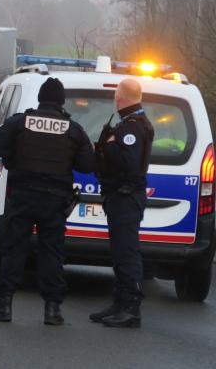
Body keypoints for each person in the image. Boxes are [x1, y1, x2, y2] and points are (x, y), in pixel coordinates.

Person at [0, 78, 95, 325]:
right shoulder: (73, 130)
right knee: (51, 253)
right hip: (55, 200)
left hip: (22, 195)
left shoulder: (21, 122)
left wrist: (14, 155)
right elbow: (87, 164)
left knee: (13, 249)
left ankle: (4, 305)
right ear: (62, 101)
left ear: (40, 99)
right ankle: (52, 310)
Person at [90, 78, 153, 329]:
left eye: (117, 96)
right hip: (120, 196)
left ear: (120, 98)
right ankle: (119, 302)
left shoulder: (132, 127)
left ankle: (130, 308)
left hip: (127, 196)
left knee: (127, 253)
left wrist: (109, 147)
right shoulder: (128, 124)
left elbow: (127, 163)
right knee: (119, 252)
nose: (115, 100)